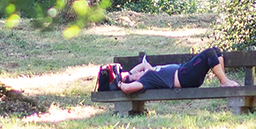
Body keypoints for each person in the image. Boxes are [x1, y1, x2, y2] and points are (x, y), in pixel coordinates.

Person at [95, 47, 235, 94]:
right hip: (185, 76)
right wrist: (120, 83)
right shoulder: (146, 80)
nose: (137, 73)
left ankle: (224, 81)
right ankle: (224, 81)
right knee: (209, 53)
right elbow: (127, 89)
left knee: (216, 51)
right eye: (135, 76)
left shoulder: (148, 71)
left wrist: (128, 74)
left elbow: (143, 65)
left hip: (185, 72)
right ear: (137, 80)